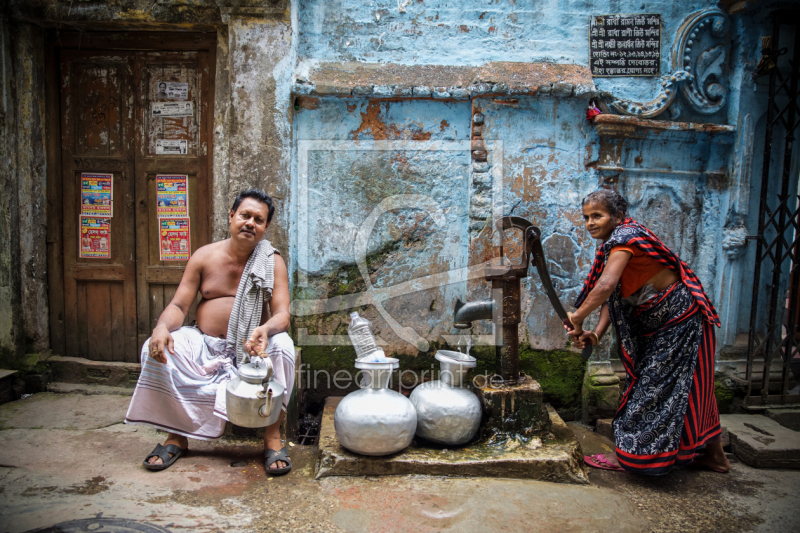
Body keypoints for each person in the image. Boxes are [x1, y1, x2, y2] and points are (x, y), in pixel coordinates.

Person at [124, 189, 295, 475]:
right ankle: (176, 436)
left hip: (253, 346)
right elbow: (179, 305)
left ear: (265, 227)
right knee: (157, 347)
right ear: (231, 217)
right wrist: (162, 327)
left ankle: (272, 438)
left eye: (259, 219)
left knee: (284, 347)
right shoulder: (205, 256)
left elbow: (282, 314)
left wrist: (265, 329)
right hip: (206, 342)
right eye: (245, 215)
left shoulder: (272, 261)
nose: (250, 223)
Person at [566, 188, 730, 475]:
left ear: (617, 217)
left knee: (648, 389)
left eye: (598, 216)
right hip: (671, 322)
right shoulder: (615, 244)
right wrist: (598, 333)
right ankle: (715, 457)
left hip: (680, 319)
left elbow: (604, 287)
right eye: (586, 217)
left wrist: (577, 318)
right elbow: (614, 297)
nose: (591, 222)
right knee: (695, 389)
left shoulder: (624, 238)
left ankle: (629, 457)